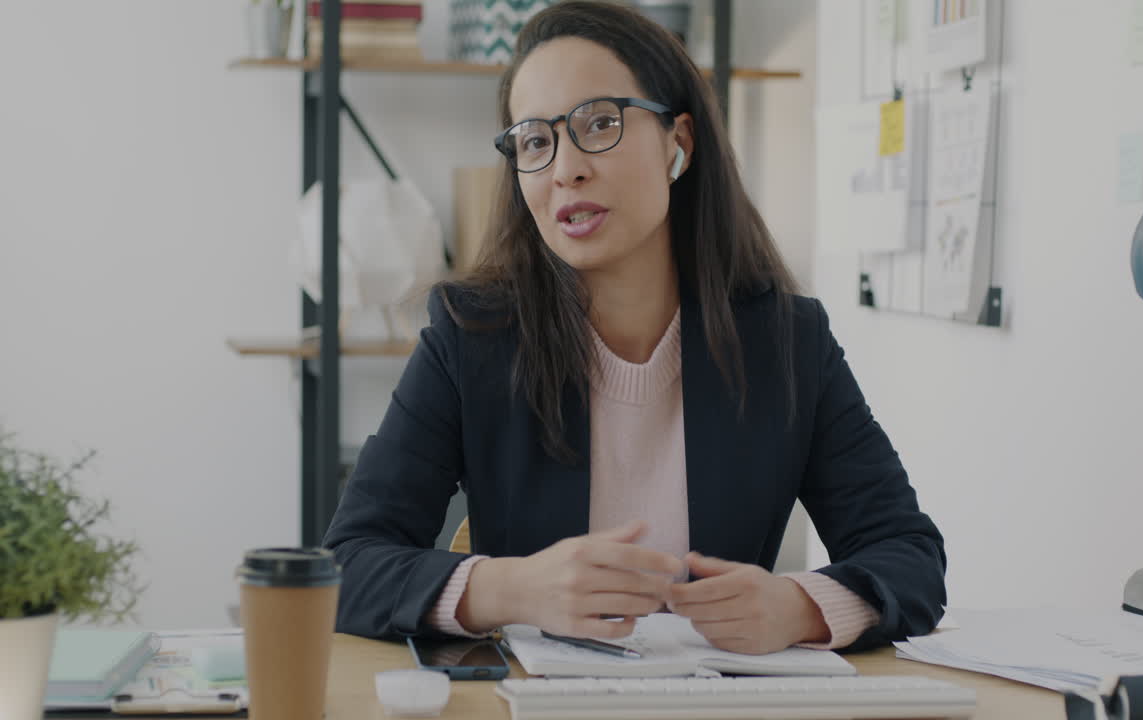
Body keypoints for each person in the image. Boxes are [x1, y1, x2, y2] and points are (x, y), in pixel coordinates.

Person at [323, 0, 945, 655]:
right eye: (536, 140)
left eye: (599, 123)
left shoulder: (788, 343)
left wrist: (799, 608)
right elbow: (346, 565)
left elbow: (909, 556)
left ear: (678, 144)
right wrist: (512, 590)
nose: (565, 168)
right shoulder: (470, 338)